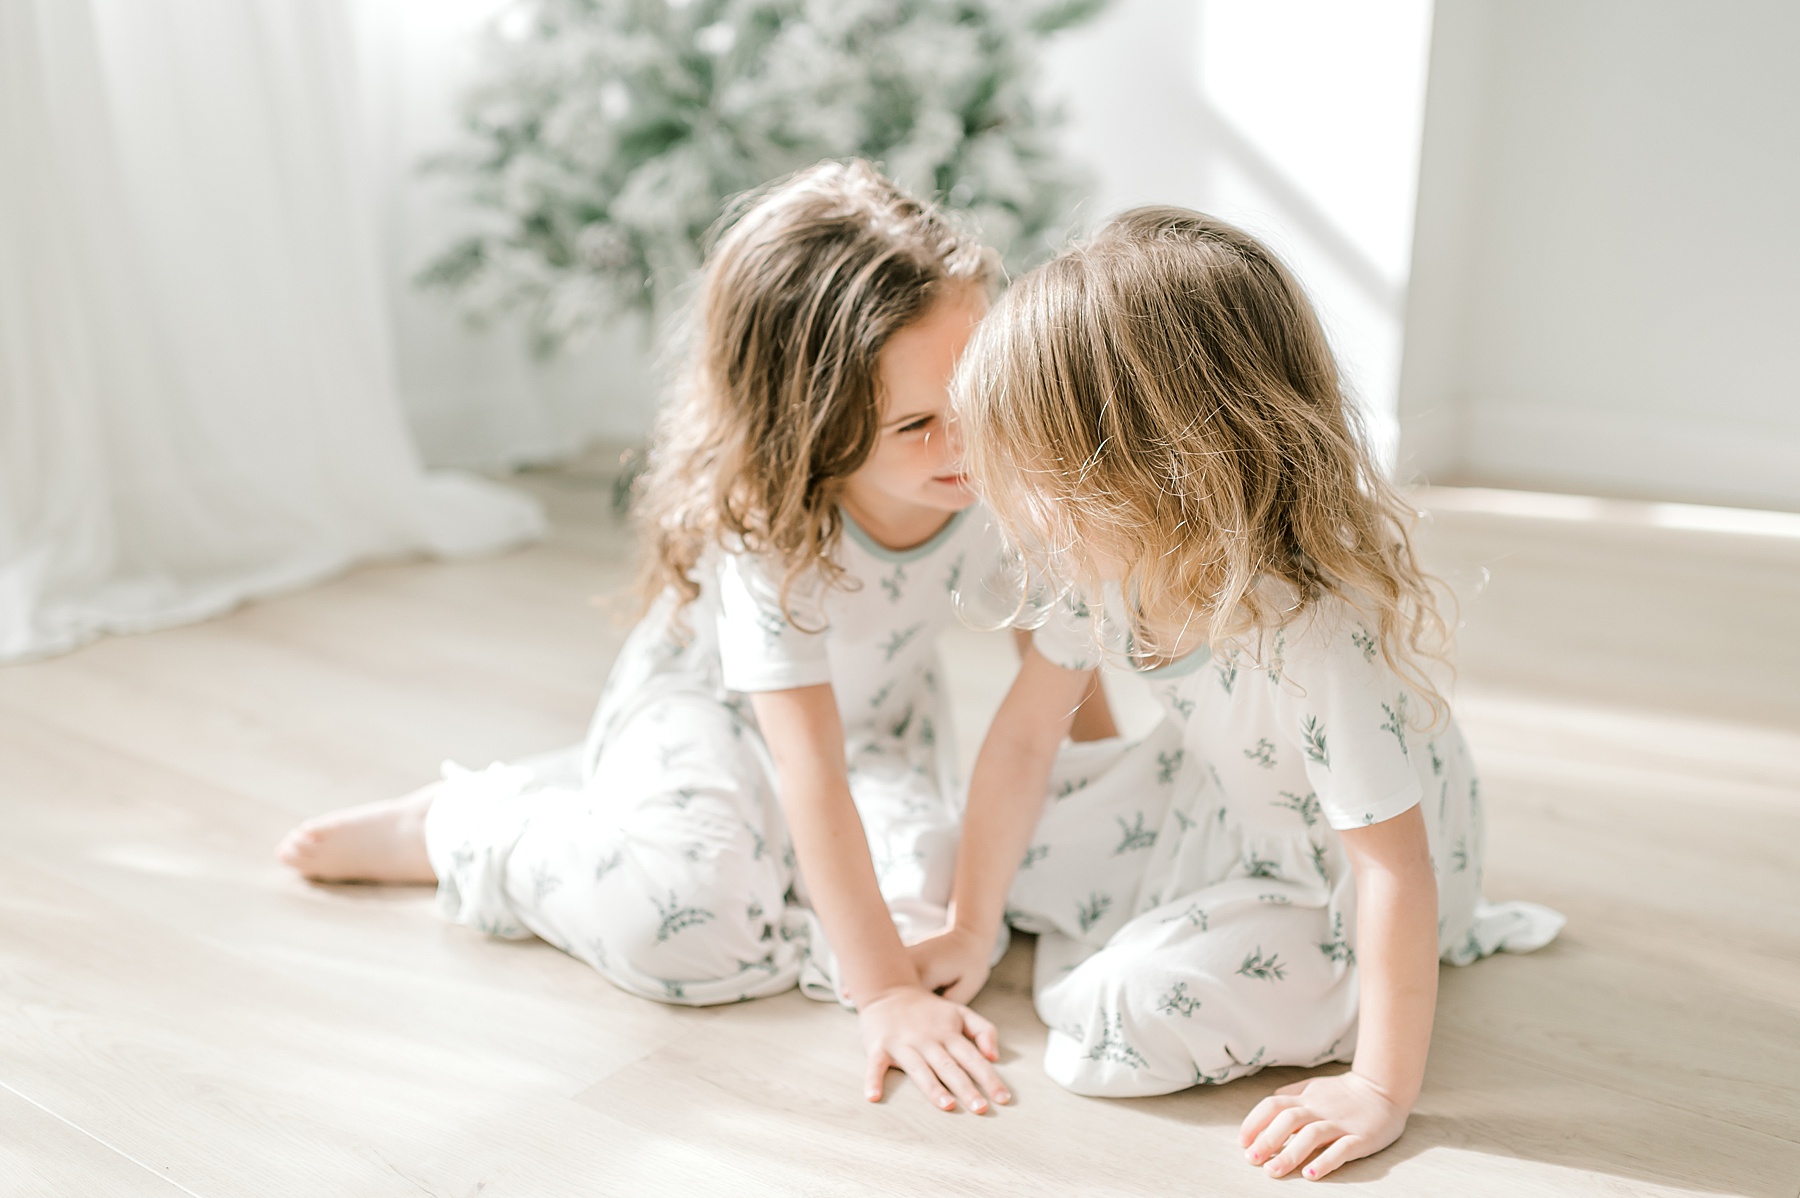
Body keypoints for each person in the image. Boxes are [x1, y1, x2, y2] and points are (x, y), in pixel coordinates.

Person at [278, 160, 1104, 1116]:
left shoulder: (1005, 473)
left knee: (940, 917)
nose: (966, 442)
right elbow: (808, 766)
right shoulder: (774, 525)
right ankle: (473, 827)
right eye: (917, 423)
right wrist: (882, 994)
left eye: (979, 391)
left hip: (872, 729)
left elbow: (1062, 682)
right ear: (809, 427)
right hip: (708, 714)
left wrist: (1087, 819)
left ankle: (653, 820)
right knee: (685, 932)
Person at [908, 207, 1564, 1178]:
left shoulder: (1312, 632)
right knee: (982, 860)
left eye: (1038, 474)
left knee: (1117, 1015)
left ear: (1145, 477)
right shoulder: (1105, 561)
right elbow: (1019, 746)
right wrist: (970, 922)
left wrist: (1380, 1088)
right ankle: (1154, 913)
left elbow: (1393, 870)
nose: (1016, 505)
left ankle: (1284, 980)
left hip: (1341, 881)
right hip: (1219, 799)